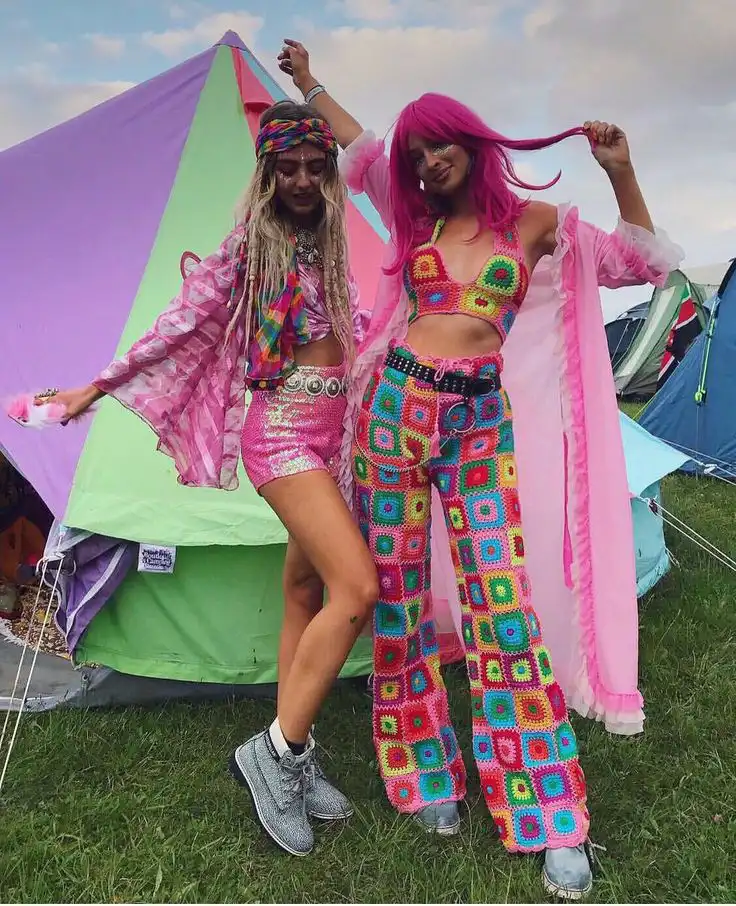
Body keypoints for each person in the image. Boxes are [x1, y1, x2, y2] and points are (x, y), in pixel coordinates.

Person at [279, 40, 683, 897]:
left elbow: (646, 264)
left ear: (475, 142)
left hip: (476, 422)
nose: (427, 160)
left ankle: (552, 816)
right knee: (398, 598)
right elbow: (360, 152)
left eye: (440, 144)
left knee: (503, 606)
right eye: (418, 151)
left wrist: (621, 171)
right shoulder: (415, 215)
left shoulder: (540, 226)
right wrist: (308, 83)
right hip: (394, 413)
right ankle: (426, 774)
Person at [37, 100, 380, 858]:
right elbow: (182, 320)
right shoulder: (247, 249)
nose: (298, 179)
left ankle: (299, 747)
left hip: (333, 432)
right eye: (284, 167)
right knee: (357, 590)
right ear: (265, 172)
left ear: (327, 173)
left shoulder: (328, 240)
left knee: (305, 591)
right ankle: (276, 755)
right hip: (283, 432)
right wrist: (95, 386)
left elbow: (349, 330)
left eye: (312, 167)